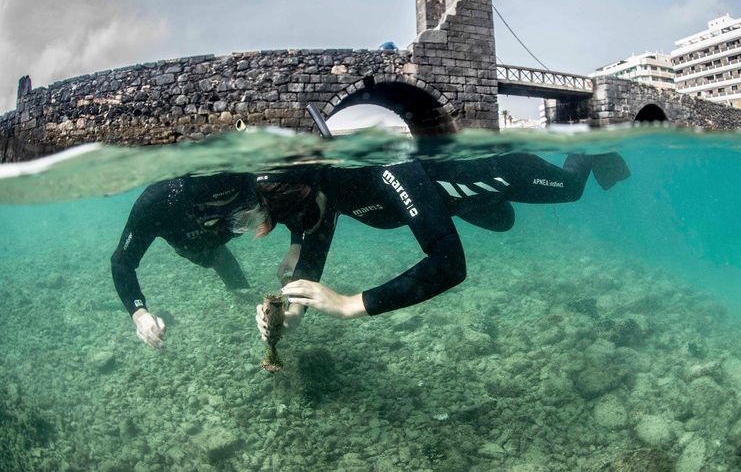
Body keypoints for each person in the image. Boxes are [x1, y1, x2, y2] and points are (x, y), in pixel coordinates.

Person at [254, 152, 630, 339]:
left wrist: (351, 304)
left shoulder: (384, 167)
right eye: (292, 225)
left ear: (311, 189)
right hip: (453, 199)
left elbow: (449, 263)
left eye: (300, 219)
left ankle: (594, 149)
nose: (304, 230)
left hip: (502, 173)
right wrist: (291, 317)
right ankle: (462, 199)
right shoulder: (326, 190)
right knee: (502, 222)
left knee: (572, 190)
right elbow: (315, 234)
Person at [111, 173, 265, 349]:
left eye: (236, 207)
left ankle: (239, 291)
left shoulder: (252, 180)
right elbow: (122, 262)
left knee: (220, 259)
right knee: (213, 257)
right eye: (212, 214)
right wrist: (139, 313)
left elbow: (296, 202)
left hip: (209, 245)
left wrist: (296, 247)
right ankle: (237, 288)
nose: (225, 222)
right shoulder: (158, 202)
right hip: (192, 244)